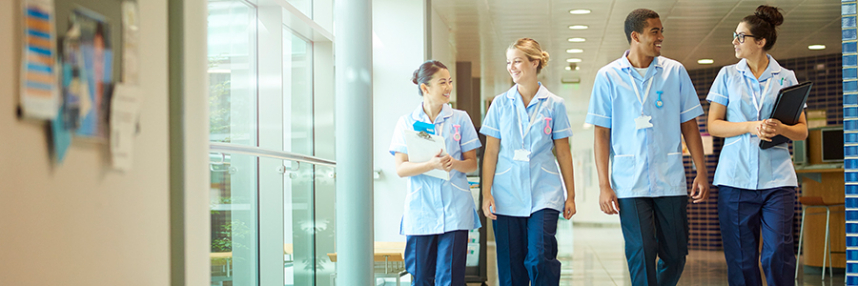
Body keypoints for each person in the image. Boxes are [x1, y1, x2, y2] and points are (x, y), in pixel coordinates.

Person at [585, 8, 710, 286]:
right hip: (630, 182)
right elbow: (601, 134)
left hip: (670, 178)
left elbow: (690, 125)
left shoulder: (674, 72)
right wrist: (604, 184)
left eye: (661, 31)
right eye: (655, 31)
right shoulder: (608, 76)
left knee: (676, 254)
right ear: (635, 36)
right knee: (641, 252)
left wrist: (700, 171)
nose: (661, 37)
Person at [705, 5, 805, 285]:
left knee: (777, 252)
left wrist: (781, 128)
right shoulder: (727, 75)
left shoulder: (786, 77)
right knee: (741, 257)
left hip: (778, 179)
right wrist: (751, 126)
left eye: (740, 37)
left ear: (759, 42)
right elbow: (714, 125)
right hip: (735, 178)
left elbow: (802, 131)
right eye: (735, 36)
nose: (734, 42)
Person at [480, 38, 576, 286]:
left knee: (540, 257)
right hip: (506, 193)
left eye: (517, 61)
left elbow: (563, 152)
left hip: (544, 191)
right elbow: (491, 151)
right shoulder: (500, 104)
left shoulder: (555, 105)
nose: (511, 67)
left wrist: (571, 195)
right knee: (511, 268)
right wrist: (486, 193)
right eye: (508, 62)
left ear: (535, 63)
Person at [389, 60, 482, 286]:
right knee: (421, 277)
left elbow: (472, 164)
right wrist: (431, 165)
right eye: (442, 82)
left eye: (449, 82)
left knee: (449, 278)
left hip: (455, 210)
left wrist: (453, 163)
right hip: (421, 211)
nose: (448, 87)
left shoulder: (460, 119)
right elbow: (401, 168)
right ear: (425, 88)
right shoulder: (407, 123)